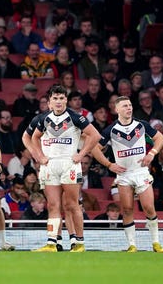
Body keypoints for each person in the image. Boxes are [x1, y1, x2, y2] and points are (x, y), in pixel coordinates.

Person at [29, 85, 101, 252]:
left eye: (62, 98)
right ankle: (52, 243)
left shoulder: (76, 117)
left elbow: (95, 135)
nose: (59, 101)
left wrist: (81, 154)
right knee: (53, 206)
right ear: (50, 102)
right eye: (55, 98)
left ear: (66, 101)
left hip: (69, 164)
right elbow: (34, 137)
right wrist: (39, 156)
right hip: (50, 165)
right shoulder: (44, 118)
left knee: (72, 205)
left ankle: (80, 243)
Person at [91, 96, 163, 253]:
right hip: (124, 175)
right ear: (117, 109)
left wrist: (152, 153)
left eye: (130, 105)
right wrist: (109, 164)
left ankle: (156, 242)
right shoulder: (110, 130)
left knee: (149, 207)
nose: (129, 108)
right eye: (125, 106)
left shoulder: (141, 125)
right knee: (126, 209)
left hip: (140, 172)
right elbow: (95, 148)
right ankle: (132, 245)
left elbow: (160, 138)